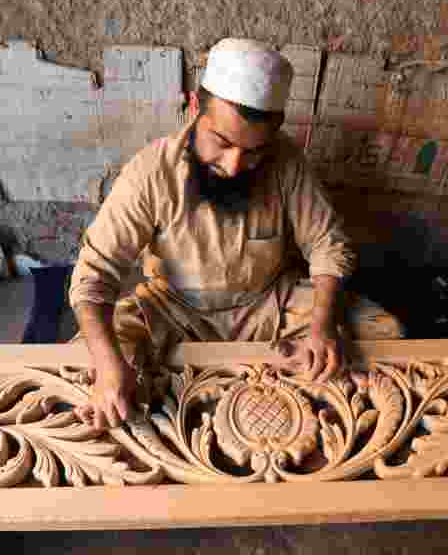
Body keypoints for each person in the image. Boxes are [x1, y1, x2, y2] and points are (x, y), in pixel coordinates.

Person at [69, 38, 403, 430]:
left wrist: (321, 327)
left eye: (254, 151)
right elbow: (93, 276)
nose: (234, 164)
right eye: (222, 142)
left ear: (273, 136)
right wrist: (110, 366)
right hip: (172, 310)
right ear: (195, 108)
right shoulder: (151, 172)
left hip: (269, 305)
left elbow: (328, 244)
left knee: (385, 336)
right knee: (85, 361)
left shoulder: (285, 163)